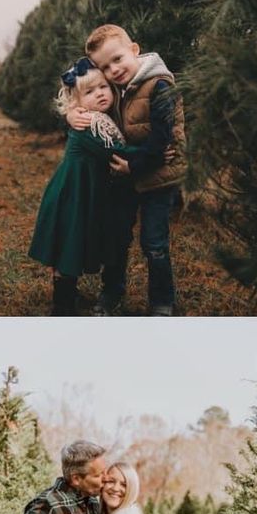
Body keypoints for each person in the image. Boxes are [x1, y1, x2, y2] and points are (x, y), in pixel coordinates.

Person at [68, 23, 186, 316]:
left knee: (154, 241)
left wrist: (133, 164)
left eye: (118, 59)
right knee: (116, 236)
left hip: (157, 175)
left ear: (135, 50)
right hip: (124, 175)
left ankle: (162, 301)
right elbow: (80, 91)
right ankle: (111, 292)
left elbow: (162, 140)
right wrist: (72, 113)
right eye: (105, 67)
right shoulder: (114, 88)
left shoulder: (159, 85)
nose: (114, 69)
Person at [29, 58, 140, 316]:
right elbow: (117, 151)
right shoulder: (91, 124)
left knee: (72, 240)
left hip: (83, 190)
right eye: (89, 92)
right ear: (76, 103)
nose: (99, 94)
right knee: (69, 241)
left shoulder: (102, 118)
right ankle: (63, 304)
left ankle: (66, 293)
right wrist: (153, 154)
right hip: (74, 193)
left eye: (103, 87)